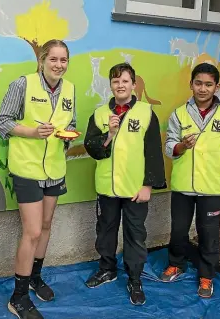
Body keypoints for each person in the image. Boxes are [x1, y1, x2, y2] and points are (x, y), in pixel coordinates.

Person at [0, 39, 77, 319]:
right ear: (42, 61)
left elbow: (72, 123)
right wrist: (32, 133)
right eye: (53, 59)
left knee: (45, 226)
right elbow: (3, 120)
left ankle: (34, 277)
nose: (58, 65)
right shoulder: (23, 84)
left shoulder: (70, 89)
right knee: (31, 232)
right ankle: (17, 297)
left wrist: (69, 135)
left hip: (54, 169)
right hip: (27, 169)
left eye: (63, 60)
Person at [83, 62, 166, 306]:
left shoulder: (146, 112)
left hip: (134, 189)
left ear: (133, 84)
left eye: (125, 81)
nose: (120, 85)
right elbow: (92, 148)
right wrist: (108, 135)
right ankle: (107, 269)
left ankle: (135, 278)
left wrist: (147, 186)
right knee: (106, 231)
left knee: (135, 234)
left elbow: (153, 151)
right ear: (110, 85)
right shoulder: (99, 114)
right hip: (107, 188)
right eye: (116, 81)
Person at [160, 62, 220, 298]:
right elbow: (169, 147)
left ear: (216, 87)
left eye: (208, 84)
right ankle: (176, 263)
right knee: (178, 230)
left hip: (213, 187)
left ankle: (206, 276)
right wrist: (181, 146)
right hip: (183, 187)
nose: (203, 89)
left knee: (209, 234)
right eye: (198, 83)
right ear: (191, 85)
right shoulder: (179, 113)